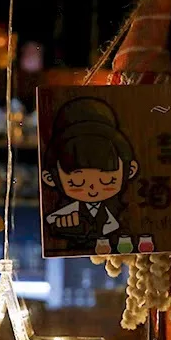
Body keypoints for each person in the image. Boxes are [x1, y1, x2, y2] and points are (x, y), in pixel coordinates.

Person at [41, 97, 139, 253]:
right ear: (50, 178)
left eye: (107, 181)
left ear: (130, 170)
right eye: (77, 182)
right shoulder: (59, 219)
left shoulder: (130, 213)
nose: (93, 189)